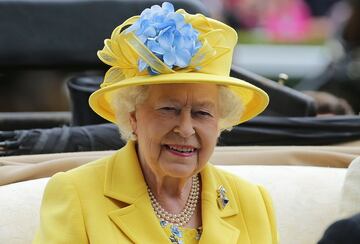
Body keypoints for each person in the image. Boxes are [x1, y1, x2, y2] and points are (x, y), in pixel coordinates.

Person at [33, 2, 277, 243]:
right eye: (168, 109)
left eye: (202, 113)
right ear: (133, 116)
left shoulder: (251, 201)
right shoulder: (77, 193)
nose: (185, 129)